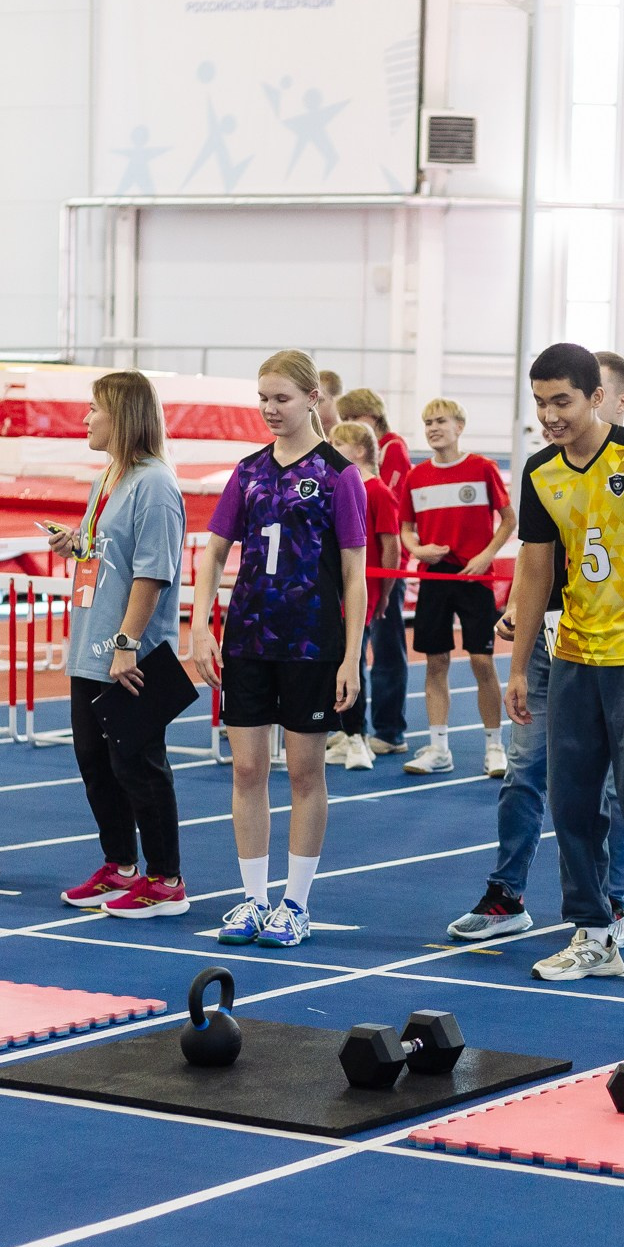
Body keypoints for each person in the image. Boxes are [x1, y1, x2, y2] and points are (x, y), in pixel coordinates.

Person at [506, 342, 624, 992]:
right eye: (540, 402)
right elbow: (536, 571)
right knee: (570, 802)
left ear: (596, 397)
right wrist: (517, 666)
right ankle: (593, 933)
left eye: (561, 401)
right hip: (572, 656)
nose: (549, 415)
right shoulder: (540, 472)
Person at [193, 349, 367, 948]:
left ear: (312, 398)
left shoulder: (340, 475)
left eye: (281, 398)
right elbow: (214, 551)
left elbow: (354, 573)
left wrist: (351, 656)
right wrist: (200, 625)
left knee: (303, 772)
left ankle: (295, 903)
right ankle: (252, 898)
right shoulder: (247, 471)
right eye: (263, 398)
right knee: (246, 769)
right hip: (248, 638)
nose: (269, 409)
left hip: (311, 643)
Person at [55, 371, 192, 917]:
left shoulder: (154, 485)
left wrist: (127, 643)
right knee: (95, 762)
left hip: (129, 651)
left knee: (138, 765)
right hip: (92, 646)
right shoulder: (109, 477)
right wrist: (77, 544)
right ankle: (121, 866)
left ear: (124, 416)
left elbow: (153, 572)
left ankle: (166, 879)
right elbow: (108, 550)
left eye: (95, 408)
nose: (85, 418)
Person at [398, 398, 513, 779]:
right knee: (436, 662)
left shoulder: (482, 468)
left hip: (475, 577)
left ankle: (495, 747)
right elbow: (405, 528)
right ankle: (439, 747)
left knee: (482, 661)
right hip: (435, 578)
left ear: (459, 426)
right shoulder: (416, 477)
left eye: (440, 421)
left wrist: (486, 555)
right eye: (428, 422)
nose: (433, 428)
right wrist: (418, 550)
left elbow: (508, 519)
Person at [328, 418, 399, 774]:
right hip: (333, 588)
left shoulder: (379, 492)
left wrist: (384, 594)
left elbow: (391, 548)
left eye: (336, 445)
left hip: (361, 590)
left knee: (352, 661)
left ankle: (358, 735)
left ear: (358, 451)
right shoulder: (338, 488)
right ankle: (345, 729)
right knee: (334, 659)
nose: (329, 451)